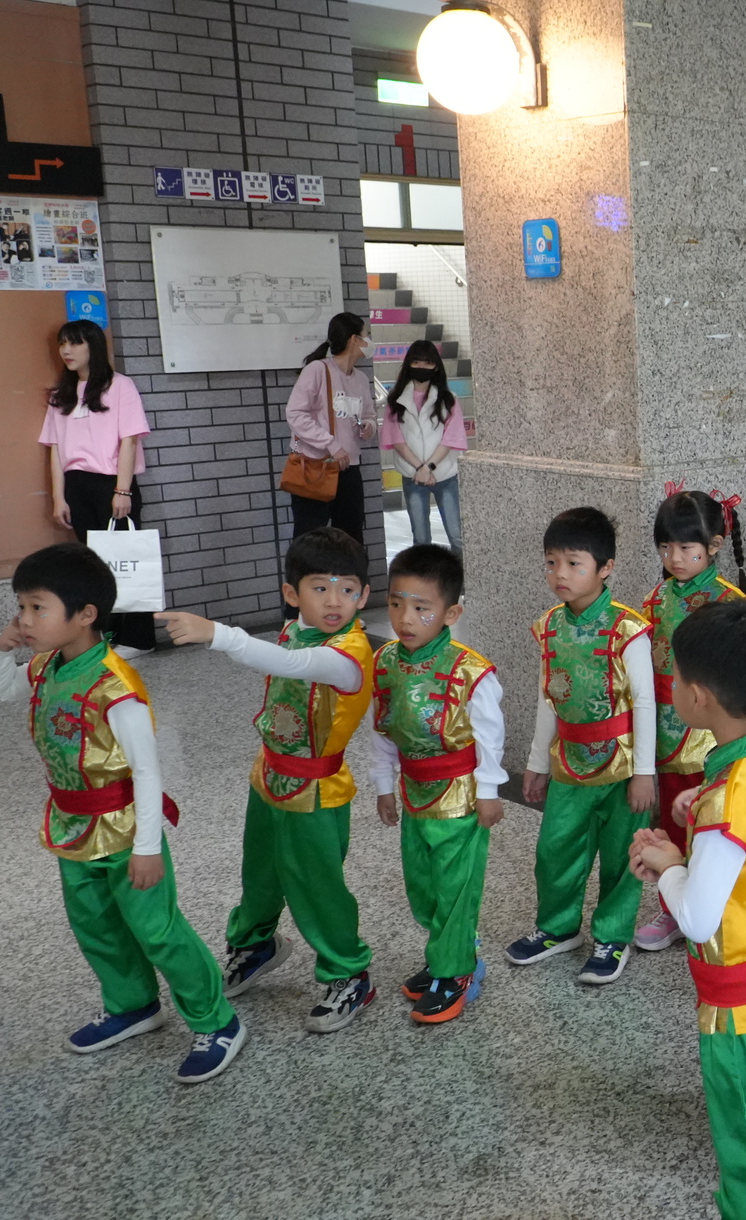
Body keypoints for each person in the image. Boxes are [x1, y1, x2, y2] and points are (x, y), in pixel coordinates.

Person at [0, 543, 245, 1083]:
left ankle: (216, 1020)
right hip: (69, 825)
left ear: (85, 615)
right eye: (21, 608)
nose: (25, 620)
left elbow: (148, 772)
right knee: (95, 924)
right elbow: (2, 690)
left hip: (124, 829)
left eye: (38, 608)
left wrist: (148, 847)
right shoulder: (43, 668)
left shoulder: (115, 688)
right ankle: (133, 1005)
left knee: (157, 930)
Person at [154, 527, 378, 1032]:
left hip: (317, 791)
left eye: (347, 589)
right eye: (320, 588)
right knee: (259, 876)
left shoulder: (350, 653)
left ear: (364, 595)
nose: (335, 601)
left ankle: (349, 973)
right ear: (291, 594)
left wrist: (217, 634)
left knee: (316, 886)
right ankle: (255, 944)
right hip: (268, 778)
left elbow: (292, 664)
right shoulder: (296, 627)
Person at [628, 600, 746, 1220]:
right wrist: (691, 836)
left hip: (737, 1006)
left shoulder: (729, 796)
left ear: (698, 697)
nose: (671, 688)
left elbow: (699, 919)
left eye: (674, 679)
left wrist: (668, 865)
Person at [506, 507, 657, 986]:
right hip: (568, 764)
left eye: (574, 563)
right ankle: (557, 928)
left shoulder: (627, 630)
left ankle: (613, 935)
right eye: (551, 563)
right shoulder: (549, 627)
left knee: (621, 857)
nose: (560, 575)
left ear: (605, 567)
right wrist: (536, 763)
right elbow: (548, 697)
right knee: (555, 849)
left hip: (623, 766)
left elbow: (646, 704)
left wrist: (645, 773)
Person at [368, 544, 507, 1023]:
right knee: (422, 886)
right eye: (396, 603)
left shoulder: (470, 670)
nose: (406, 618)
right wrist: (384, 785)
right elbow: (384, 726)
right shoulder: (385, 661)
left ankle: (456, 971)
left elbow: (490, 736)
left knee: (454, 886)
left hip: (460, 797)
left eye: (421, 608)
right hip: (414, 793)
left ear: (452, 612)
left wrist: (489, 792)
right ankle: (449, 951)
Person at [634, 490, 746, 952]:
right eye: (666, 548)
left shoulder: (730, 602)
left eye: (686, 548)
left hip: (713, 732)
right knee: (671, 819)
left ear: (716, 545)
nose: (674, 558)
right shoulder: (653, 599)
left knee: (713, 822)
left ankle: (716, 904)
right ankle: (673, 909)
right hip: (664, 726)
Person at [40, 319, 157, 657]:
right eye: (63, 343)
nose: (66, 350)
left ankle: (138, 638)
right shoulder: (59, 394)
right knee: (95, 565)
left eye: (75, 343)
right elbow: (55, 449)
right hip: (76, 485)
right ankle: (109, 633)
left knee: (124, 559)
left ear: (93, 346)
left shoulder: (120, 386)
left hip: (112, 483)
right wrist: (58, 496)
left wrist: (122, 491)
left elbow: (129, 439)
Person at [285, 312, 377, 544]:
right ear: (354, 339)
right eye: (367, 335)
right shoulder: (318, 370)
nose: (369, 341)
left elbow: (369, 415)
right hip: (315, 467)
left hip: (349, 469)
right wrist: (331, 445)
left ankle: (345, 581)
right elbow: (295, 413)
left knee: (350, 538)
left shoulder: (360, 378)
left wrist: (369, 426)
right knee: (310, 538)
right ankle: (307, 581)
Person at [380, 339, 466, 554]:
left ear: (436, 366)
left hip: (445, 476)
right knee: (420, 536)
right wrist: (420, 468)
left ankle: (462, 580)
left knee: (457, 535)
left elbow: (451, 439)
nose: (421, 368)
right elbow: (396, 440)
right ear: (409, 364)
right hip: (413, 476)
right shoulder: (396, 400)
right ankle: (426, 582)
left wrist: (429, 467)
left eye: (427, 363)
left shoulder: (449, 399)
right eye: (416, 362)